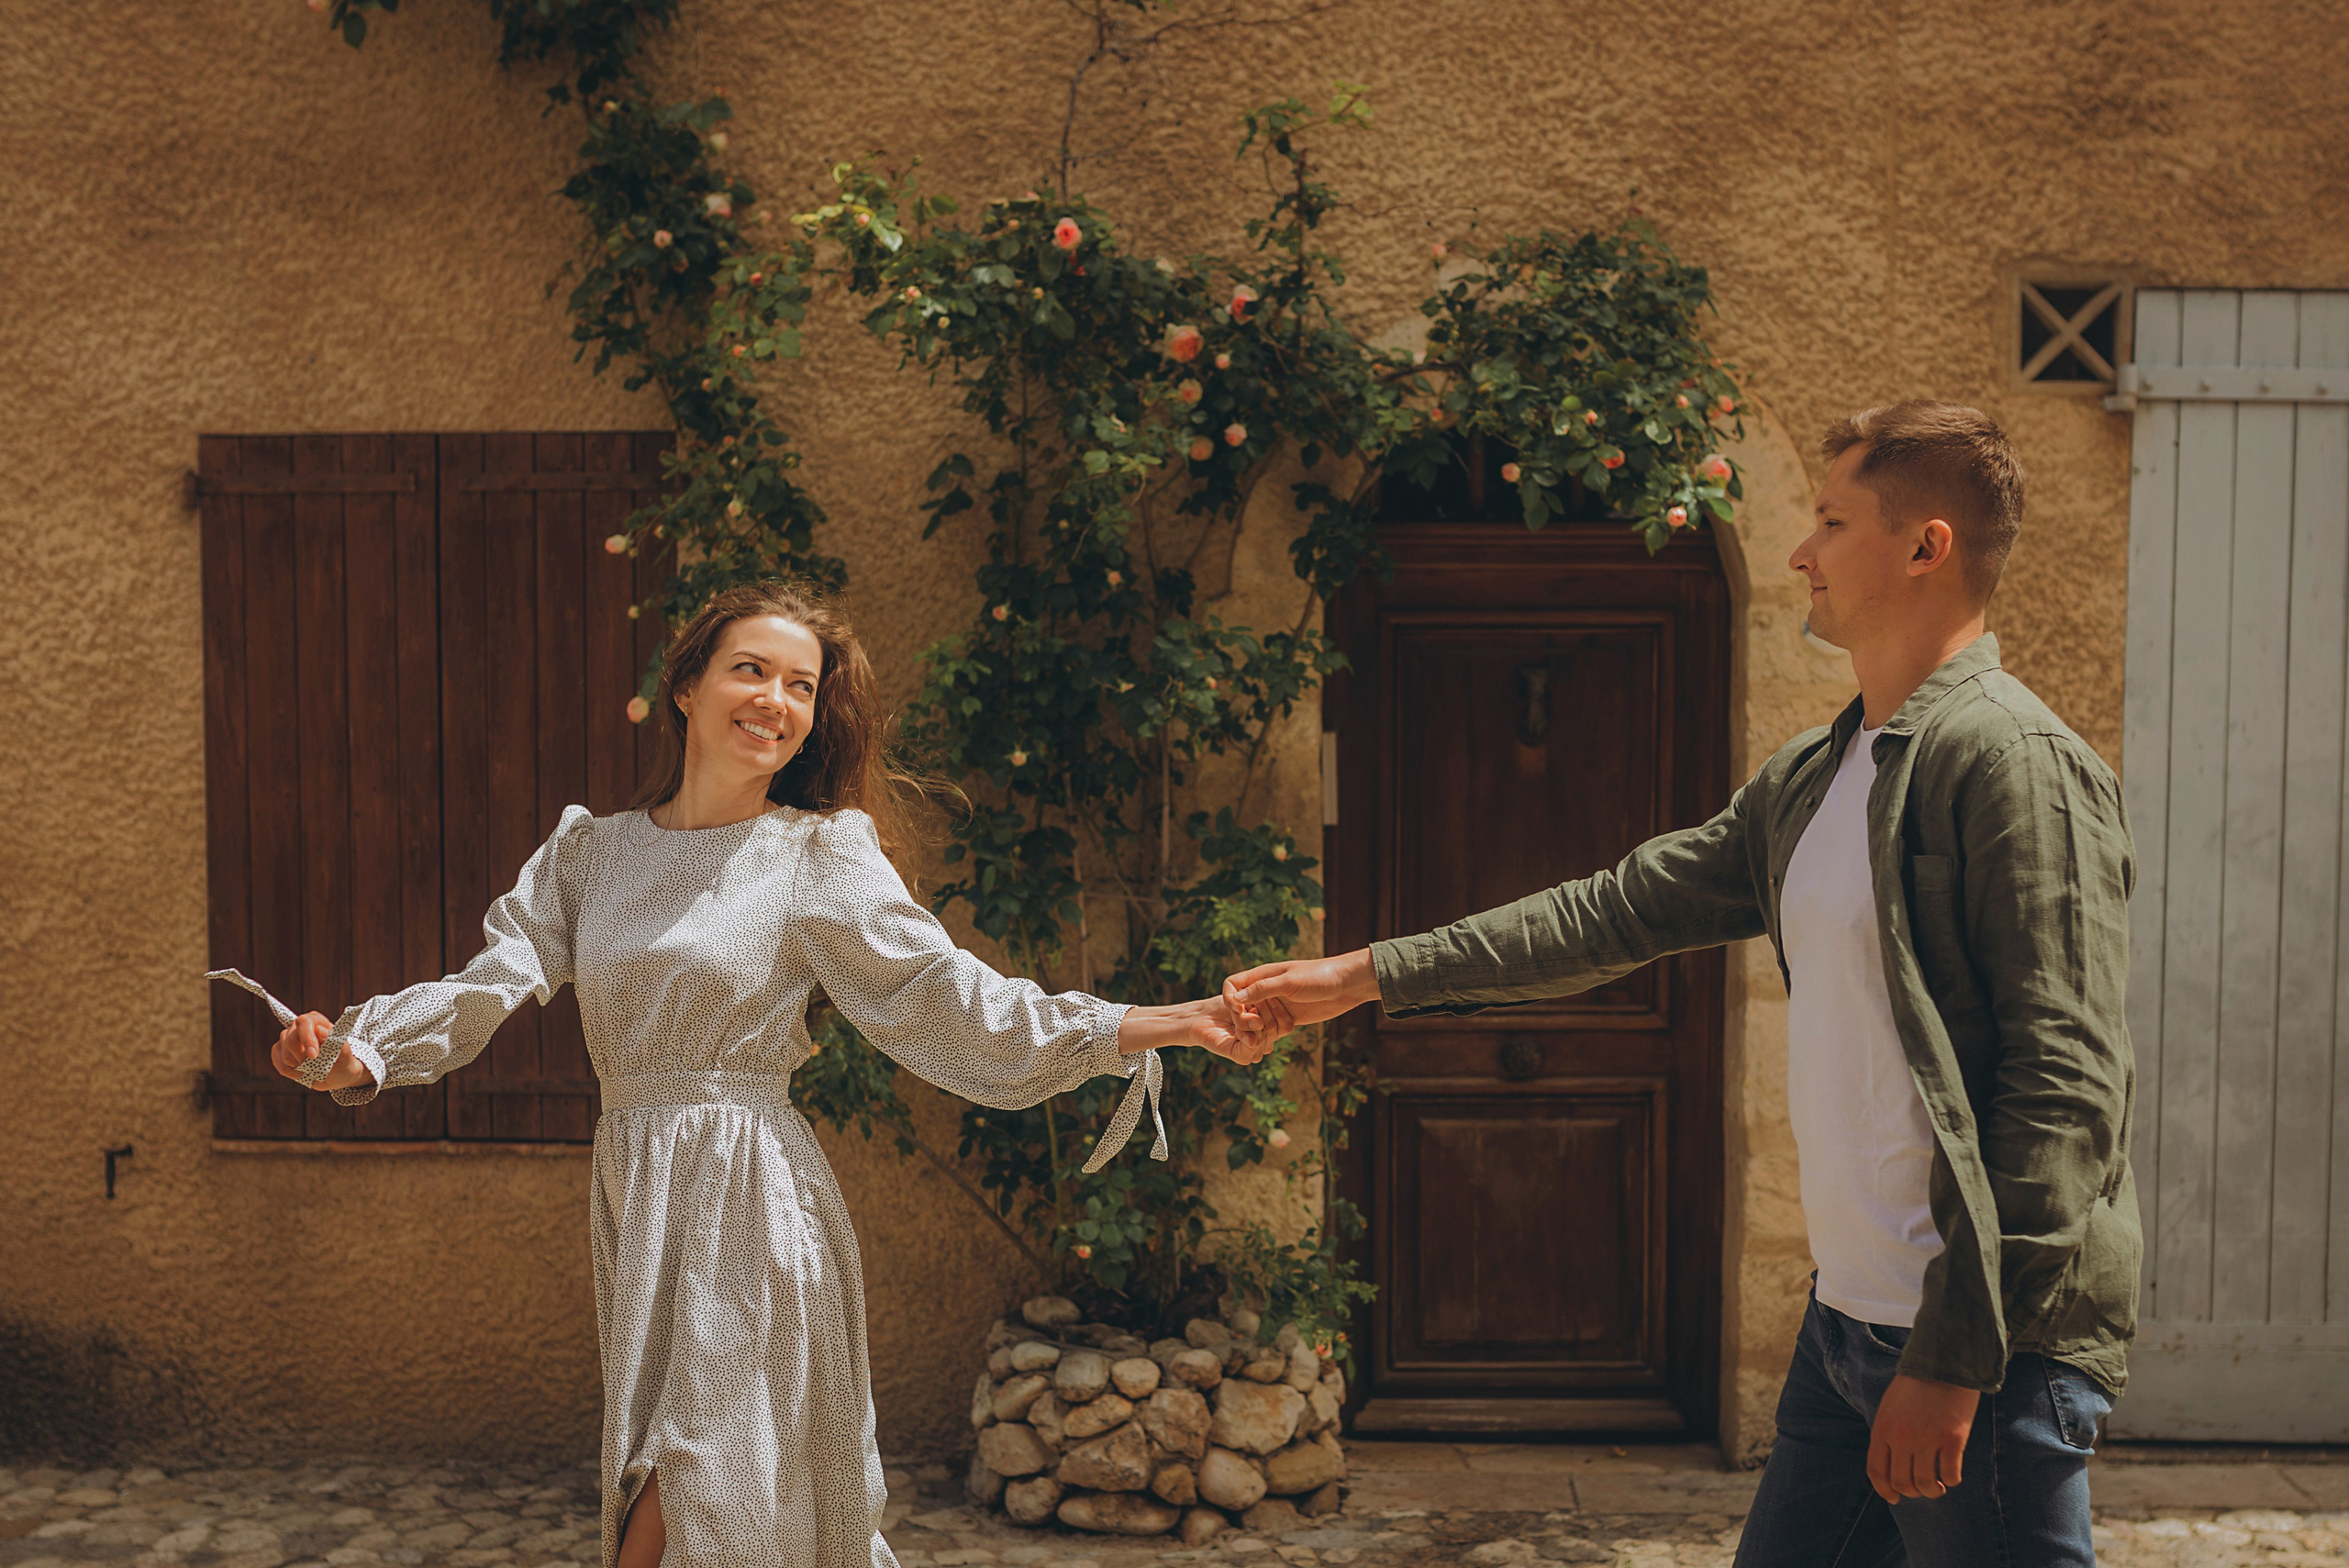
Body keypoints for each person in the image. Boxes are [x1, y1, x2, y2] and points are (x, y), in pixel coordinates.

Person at [1225, 402, 2136, 1567]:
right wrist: (1359, 976)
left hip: (1980, 1349)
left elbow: (2062, 1093)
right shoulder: (1823, 770)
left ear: (1926, 547)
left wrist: (1953, 1359)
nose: (1800, 552)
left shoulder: (2011, 765)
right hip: (1851, 1325)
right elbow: (1612, 910)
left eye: (1829, 519)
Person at [214, 580, 1274, 1568]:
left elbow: (952, 1000)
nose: (776, 699)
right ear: (687, 684)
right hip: (637, 1198)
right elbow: (497, 977)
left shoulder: (818, 852)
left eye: (802, 686)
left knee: (693, 1478)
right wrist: (362, 1050)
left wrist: (1149, 1023)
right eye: (751, 670)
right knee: (659, 1484)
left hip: (753, 1203)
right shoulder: (592, 853)